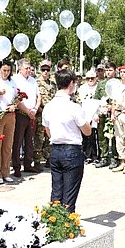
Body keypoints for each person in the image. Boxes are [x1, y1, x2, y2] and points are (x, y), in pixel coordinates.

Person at [42, 69, 92, 213]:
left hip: (56, 149)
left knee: (56, 192)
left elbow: (48, 130)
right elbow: (87, 131)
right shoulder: (74, 107)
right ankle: (66, 226)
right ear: (71, 84)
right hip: (71, 150)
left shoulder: (49, 106)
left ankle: (53, 222)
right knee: (69, 195)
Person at [13, 59, 39, 177]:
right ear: (19, 68)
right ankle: (17, 166)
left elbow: (39, 97)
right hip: (21, 114)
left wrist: (35, 109)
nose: (29, 70)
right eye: (26, 68)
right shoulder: (15, 80)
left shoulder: (33, 80)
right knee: (18, 141)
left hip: (32, 114)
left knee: (30, 141)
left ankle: (28, 164)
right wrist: (28, 111)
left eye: (30, 68)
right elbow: (16, 100)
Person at [93, 62, 118, 168]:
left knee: (115, 136)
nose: (108, 72)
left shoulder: (118, 83)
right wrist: (95, 113)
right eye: (106, 70)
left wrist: (112, 108)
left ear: (115, 71)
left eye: (110, 70)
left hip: (114, 113)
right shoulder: (101, 83)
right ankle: (104, 157)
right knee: (101, 135)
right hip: (102, 113)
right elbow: (96, 99)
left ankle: (115, 158)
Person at [34, 60, 56, 170]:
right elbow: (35, 99)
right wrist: (41, 109)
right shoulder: (36, 83)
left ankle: (48, 158)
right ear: (40, 70)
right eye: (43, 70)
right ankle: (37, 160)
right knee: (39, 138)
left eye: (48, 70)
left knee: (49, 137)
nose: (46, 72)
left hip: (52, 115)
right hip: (40, 114)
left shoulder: (52, 84)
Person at [77, 69, 99, 163]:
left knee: (94, 136)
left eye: (92, 78)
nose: (90, 80)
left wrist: (97, 113)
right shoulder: (81, 88)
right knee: (85, 136)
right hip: (84, 115)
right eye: (88, 78)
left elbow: (101, 102)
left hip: (95, 115)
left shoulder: (99, 88)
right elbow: (79, 102)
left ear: (96, 78)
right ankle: (86, 155)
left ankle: (95, 156)